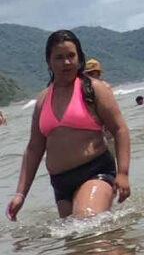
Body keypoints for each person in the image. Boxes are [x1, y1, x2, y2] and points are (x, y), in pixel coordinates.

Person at [10, 30, 132, 222]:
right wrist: (20, 194)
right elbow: (34, 148)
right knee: (75, 238)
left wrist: (123, 173)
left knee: (87, 221)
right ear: (49, 62)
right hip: (61, 184)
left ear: (79, 58)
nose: (66, 62)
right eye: (59, 57)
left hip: (95, 171)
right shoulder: (42, 100)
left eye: (71, 56)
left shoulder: (94, 89)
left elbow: (120, 129)